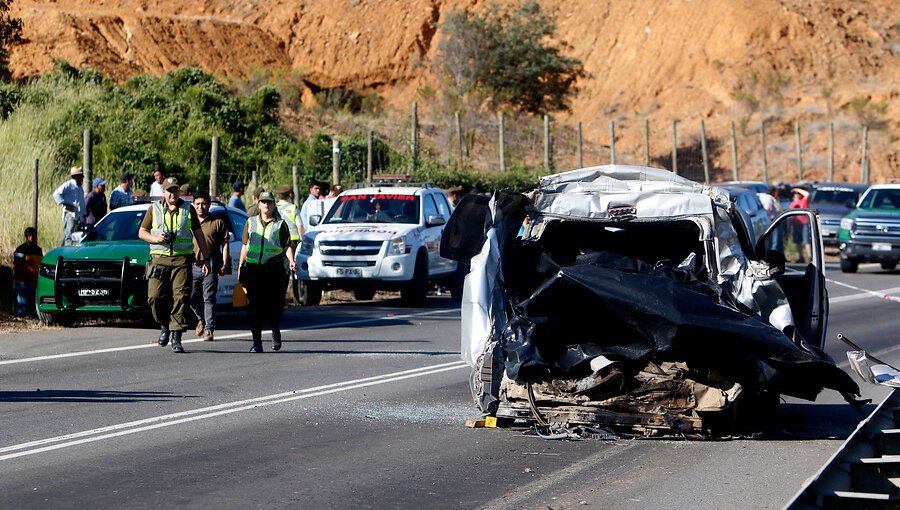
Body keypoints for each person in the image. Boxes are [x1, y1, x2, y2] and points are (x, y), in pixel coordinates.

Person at [138, 176, 210, 353]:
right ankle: (164, 325)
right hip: (158, 259)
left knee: (181, 297)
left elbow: (198, 234)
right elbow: (141, 231)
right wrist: (156, 238)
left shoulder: (188, 209)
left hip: (181, 260)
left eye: (175, 190)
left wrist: (205, 258)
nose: (172, 194)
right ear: (163, 192)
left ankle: (176, 336)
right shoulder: (153, 209)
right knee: (154, 296)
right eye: (169, 190)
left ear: (179, 192)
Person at [238, 191, 296, 353]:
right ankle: (257, 343)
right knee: (254, 307)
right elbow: (245, 246)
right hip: (254, 269)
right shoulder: (250, 222)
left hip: (273, 270)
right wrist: (240, 266)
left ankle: (275, 330)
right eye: (263, 202)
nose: (266, 205)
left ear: (273, 204)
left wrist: (291, 261)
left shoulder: (280, 224)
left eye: (269, 202)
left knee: (274, 305)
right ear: (259, 204)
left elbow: (286, 246)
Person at [189, 191, 230, 342]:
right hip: (192, 265)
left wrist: (225, 263)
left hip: (211, 264)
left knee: (209, 298)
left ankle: (209, 329)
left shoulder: (217, 223)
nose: (201, 207)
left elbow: (225, 243)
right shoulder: (189, 222)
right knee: (191, 297)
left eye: (204, 203)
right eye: (198, 204)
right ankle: (201, 319)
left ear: (209, 205)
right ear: (194, 205)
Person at [52, 166, 86, 246]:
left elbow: (81, 201)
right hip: (70, 214)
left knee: (75, 235)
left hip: (78, 215)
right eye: (81, 175)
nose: (83, 177)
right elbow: (56, 194)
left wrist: (83, 213)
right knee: (69, 235)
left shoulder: (80, 187)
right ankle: (66, 250)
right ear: (76, 176)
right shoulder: (68, 185)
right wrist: (65, 204)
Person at [13, 227, 42, 317]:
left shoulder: (38, 250)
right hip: (23, 284)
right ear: (26, 237)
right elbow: (17, 265)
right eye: (29, 236)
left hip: (34, 283)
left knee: (32, 309)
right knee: (23, 309)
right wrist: (22, 280)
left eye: (33, 235)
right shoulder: (21, 249)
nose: (31, 238)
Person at [758, 185, 784, 251]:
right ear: (773, 191)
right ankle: (773, 256)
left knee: (778, 240)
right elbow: (767, 209)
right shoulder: (768, 198)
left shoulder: (773, 198)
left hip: (776, 221)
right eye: (776, 191)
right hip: (773, 222)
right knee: (774, 241)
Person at [790, 187, 811, 263]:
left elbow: (807, 194)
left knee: (806, 241)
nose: (796, 195)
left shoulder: (804, 200)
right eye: (795, 193)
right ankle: (800, 256)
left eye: (798, 193)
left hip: (804, 223)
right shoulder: (793, 203)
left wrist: (798, 190)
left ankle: (809, 256)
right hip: (795, 224)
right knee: (797, 241)